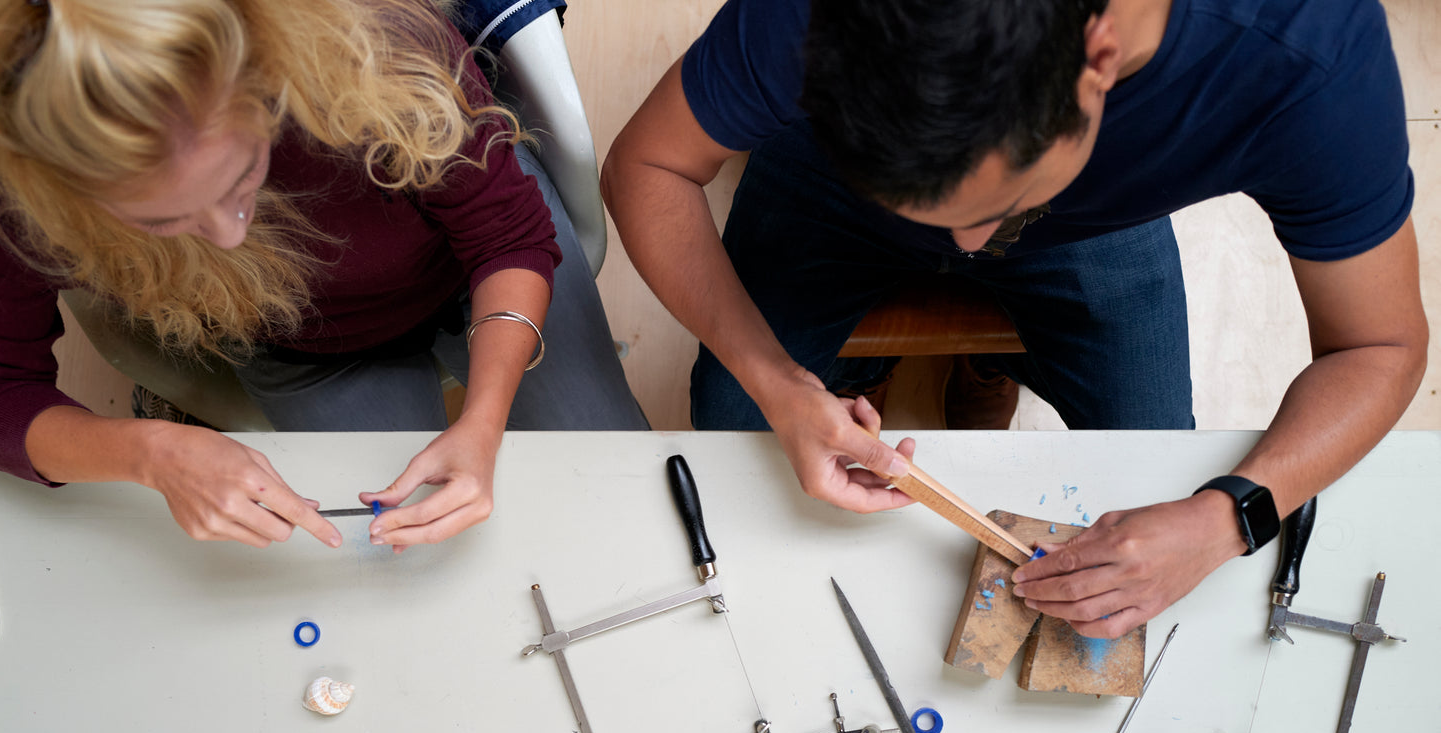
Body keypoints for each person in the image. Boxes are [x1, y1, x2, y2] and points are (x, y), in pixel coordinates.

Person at [600, 0, 1428, 637]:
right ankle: (932, 334)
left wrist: (1224, 519)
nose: (960, 249)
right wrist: (779, 384)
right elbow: (648, 165)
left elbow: (1379, 346)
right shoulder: (807, 14)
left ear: (1098, 62)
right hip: (833, 186)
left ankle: (986, 362)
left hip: (1096, 224)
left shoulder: (1304, 50)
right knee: (736, 433)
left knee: (1162, 469)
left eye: (997, 201)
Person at [0, 0, 646, 552]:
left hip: (480, 264)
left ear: (265, 78)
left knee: (622, 487)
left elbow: (506, 234)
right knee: (391, 558)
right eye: (162, 220)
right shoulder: (25, 192)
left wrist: (482, 421)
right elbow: (4, 388)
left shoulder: (371, 39)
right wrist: (153, 454)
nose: (229, 236)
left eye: (245, 171)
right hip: (306, 351)